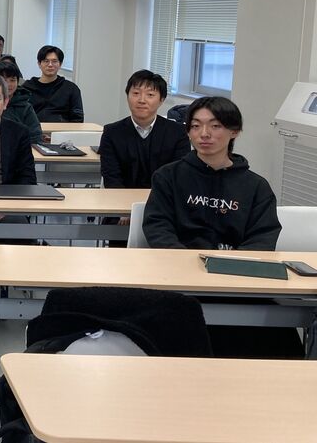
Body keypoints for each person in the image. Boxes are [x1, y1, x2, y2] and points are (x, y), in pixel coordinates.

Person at [143, 96, 299, 359]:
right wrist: (186, 264)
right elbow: (158, 227)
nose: (204, 134)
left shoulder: (255, 186)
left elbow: (263, 237)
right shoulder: (168, 176)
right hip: (180, 281)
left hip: (238, 283)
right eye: (195, 126)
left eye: (215, 126)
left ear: (234, 131)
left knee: (280, 344)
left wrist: (232, 269)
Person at [99, 70, 190, 191]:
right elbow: (111, 179)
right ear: (127, 96)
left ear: (161, 100)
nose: (142, 100)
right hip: (121, 201)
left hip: (164, 203)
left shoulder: (178, 133)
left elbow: (179, 176)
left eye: (150, 95)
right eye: (136, 93)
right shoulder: (111, 132)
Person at [22, 45, 84, 123]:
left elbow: (77, 119)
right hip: (33, 132)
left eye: (54, 61)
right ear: (39, 64)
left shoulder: (71, 89)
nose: (50, 65)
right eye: (46, 61)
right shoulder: (26, 88)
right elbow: (20, 116)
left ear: (60, 64)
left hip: (61, 133)